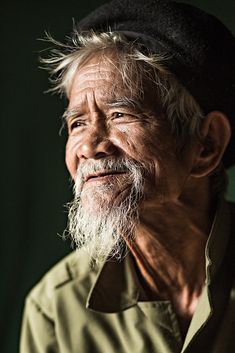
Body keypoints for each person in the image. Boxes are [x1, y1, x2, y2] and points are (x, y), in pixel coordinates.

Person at [20, 0, 235, 352]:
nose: (89, 146)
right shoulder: (56, 310)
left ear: (206, 144)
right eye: (77, 123)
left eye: (121, 114)